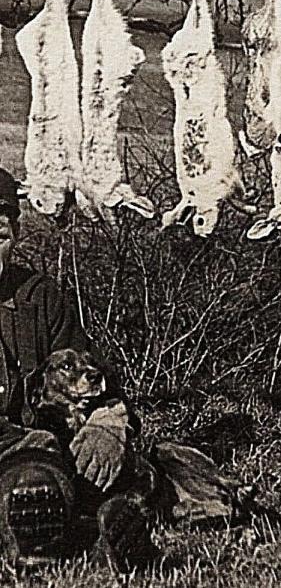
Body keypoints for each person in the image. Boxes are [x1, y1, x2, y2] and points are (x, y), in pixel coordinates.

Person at [0, 166, 154, 569]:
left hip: (47, 451)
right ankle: (72, 530)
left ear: (14, 236)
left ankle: (105, 528)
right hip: (17, 453)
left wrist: (107, 425)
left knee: (110, 468)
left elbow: (94, 373)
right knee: (32, 474)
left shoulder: (41, 297)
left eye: (1, 231)